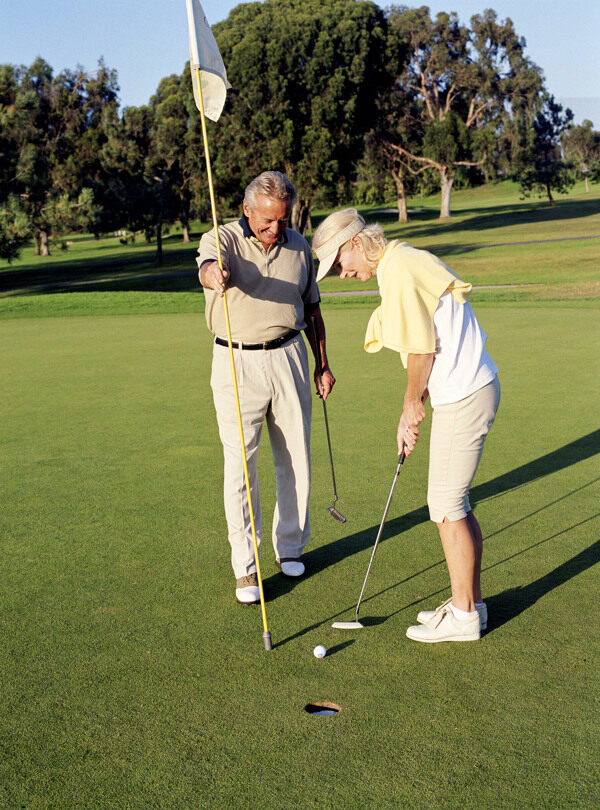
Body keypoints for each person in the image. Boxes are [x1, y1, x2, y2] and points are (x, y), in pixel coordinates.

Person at [312, 209, 500, 643]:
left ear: (356, 243)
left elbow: (421, 350)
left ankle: (465, 617)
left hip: (466, 393)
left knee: (446, 506)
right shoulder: (399, 261)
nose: (342, 274)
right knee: (455, 504)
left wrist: (411, 403)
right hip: (469, 387)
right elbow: (432, 337)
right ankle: (467, 604)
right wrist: (415, 405)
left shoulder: (397, 269)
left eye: (340, 264)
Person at [197, 171, 335, 605]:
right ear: (247, 210)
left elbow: (311, 308)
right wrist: (214, 275)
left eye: (283, 219)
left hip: (289, 354)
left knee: (295, 457)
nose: (275, 229)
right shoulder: (222, 239)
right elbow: (204, 267)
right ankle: (246, 567)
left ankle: (290, 546)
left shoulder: (298, 246)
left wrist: (323, 364)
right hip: (237, 361)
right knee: (241, 466)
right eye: (267, 221)